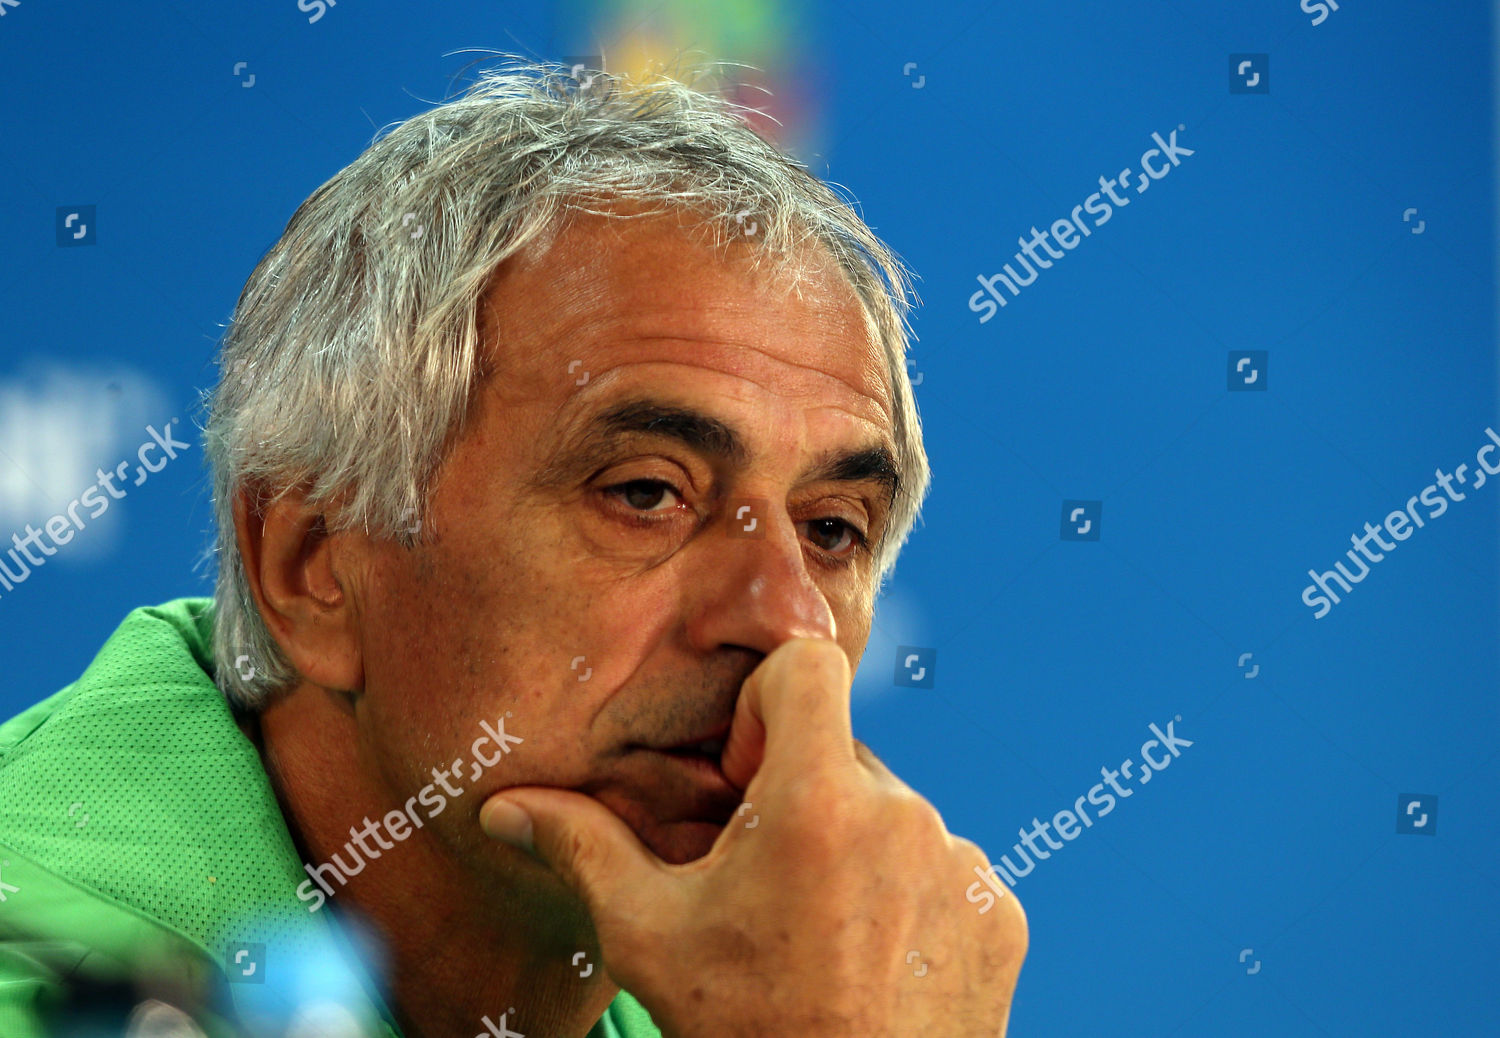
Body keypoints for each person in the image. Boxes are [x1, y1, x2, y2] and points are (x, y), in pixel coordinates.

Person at [0, 58, 1027, 1037]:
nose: (788, 622)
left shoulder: (756, 986)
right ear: (312, 566)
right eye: (646, 493)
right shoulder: (45, 982)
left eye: (833, 530)